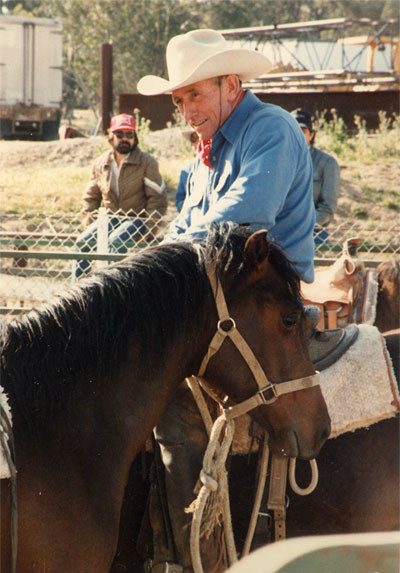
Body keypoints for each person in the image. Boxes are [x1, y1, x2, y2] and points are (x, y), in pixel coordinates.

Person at [137, 29, 357, 573]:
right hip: (220, 296)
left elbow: (238, 223)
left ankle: (196, 555)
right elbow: (185, 227)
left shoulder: (272, 131)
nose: (185, 109)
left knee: (173, 404)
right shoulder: (208, 152)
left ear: (231, 85)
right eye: (179, 99)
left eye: (195, 95)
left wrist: (156, 268)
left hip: (263, 299)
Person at [73, 113, 167, 278]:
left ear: (135, 137)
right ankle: (79, 291)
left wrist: (149, 230)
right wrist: (91, 222)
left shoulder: (147, 162)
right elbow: (91, 197)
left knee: (116, 241)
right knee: (82, 243)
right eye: (119, 134)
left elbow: (157, 199)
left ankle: (111, 290)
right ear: (111, 137)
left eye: (129, 135)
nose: (124, 139)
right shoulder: (101, 163)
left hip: (136, 218)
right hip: (109, 218)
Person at [291, 108, 340, 244]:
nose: (297, 135)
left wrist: (301, 226)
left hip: (313, 232)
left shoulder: (327, 163)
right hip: (279, 230)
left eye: (302, 130)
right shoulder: (276, 160)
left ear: (311, 135)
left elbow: (328, 208)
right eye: (293, 130)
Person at [175, 128, 199, 212]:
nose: (196, 143)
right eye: (193, 140)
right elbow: (179, 200)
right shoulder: (186, 171)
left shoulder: (221, 165)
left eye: (199, 138)